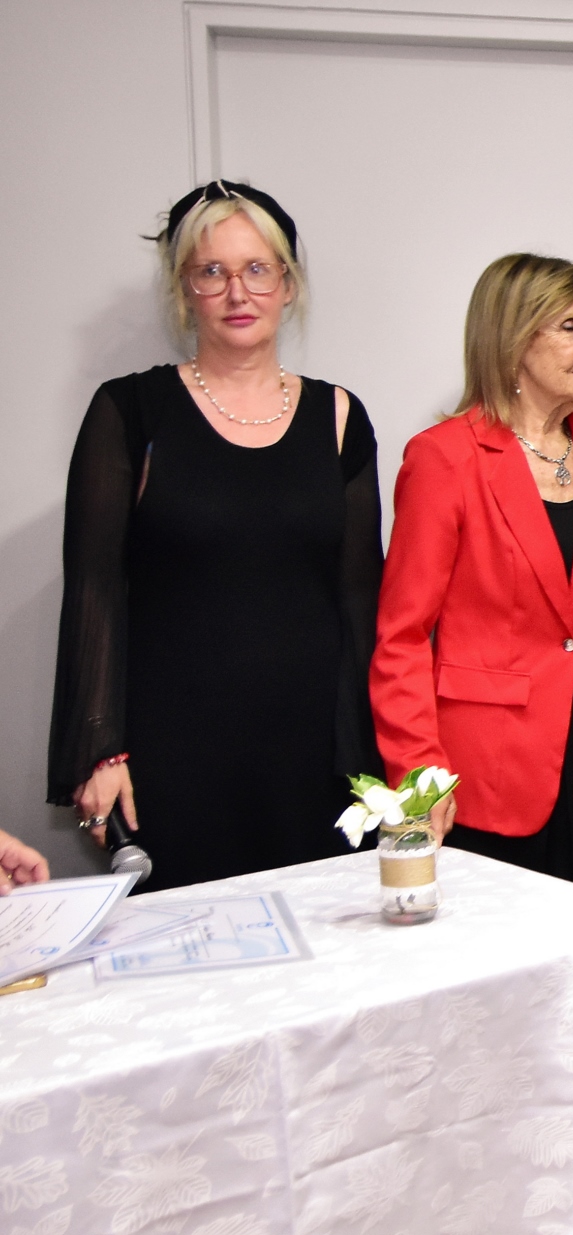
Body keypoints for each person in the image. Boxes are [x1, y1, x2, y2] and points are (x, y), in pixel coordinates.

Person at [48, 181, 382, 891]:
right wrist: (99, 750)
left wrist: (373, 765)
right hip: (172, 761)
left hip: (311, 762)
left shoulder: (339, 416)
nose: (238, 292)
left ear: (288, 284)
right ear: (183, 289)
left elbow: (361, 604)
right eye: (212, 272)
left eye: (258, 269)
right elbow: (95, 591)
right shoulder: (130, 411)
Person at [370, 253, 573, 897]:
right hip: (485, 774)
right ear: (512, 340)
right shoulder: (443, 458)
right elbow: (402, 636)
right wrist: (420, 775)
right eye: (570, 326)